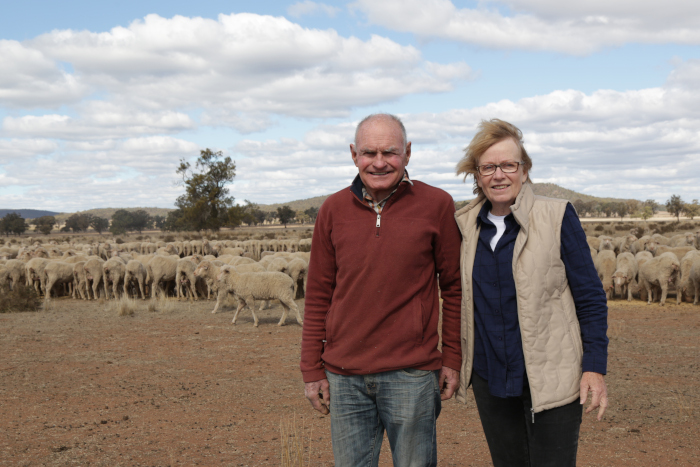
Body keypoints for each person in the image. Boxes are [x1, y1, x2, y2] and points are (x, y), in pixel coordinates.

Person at [300, 113, 463, 466]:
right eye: (368, 152)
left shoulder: (437, 205)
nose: (378, 162)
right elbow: (316, 296)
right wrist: (312, 369)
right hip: (344, 378)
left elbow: (454, 289)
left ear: (407, 152)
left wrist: (451, 358)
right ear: (352, 153)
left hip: (412, 375)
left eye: (389, 152)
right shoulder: (332, 209)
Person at [453, 119, 609, 466]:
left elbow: (590, 298)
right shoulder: (464, 226)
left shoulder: (556, 216)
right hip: (491, 377)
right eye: (488, 167)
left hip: (552, 376)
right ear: (477, 174)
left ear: (524, 170)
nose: (499, 175)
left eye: (509, 165)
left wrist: (594, 367)